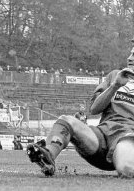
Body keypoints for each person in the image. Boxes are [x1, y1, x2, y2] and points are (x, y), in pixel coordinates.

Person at [27, 46, 134, 177]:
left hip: (127, 138)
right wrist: (115, 86)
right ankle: (48, 156)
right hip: (101, 137)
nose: (129, 58)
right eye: (130, 54)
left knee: (127, 169)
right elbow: (94, 109)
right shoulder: (115, 75)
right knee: (67, 120)